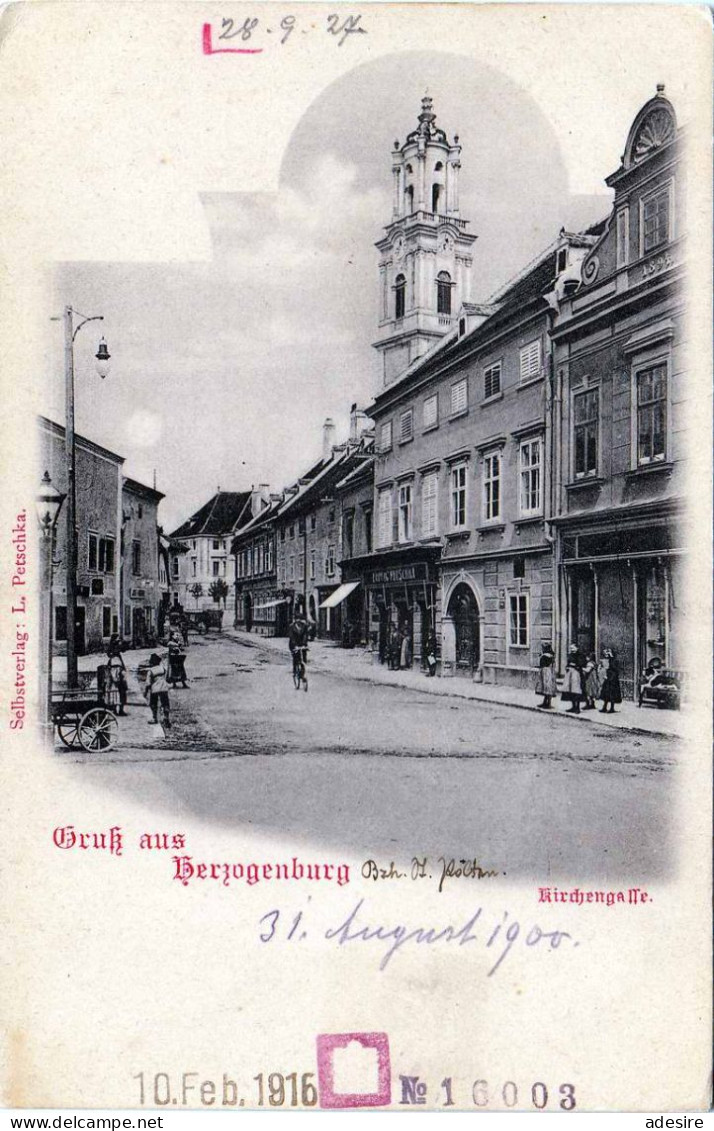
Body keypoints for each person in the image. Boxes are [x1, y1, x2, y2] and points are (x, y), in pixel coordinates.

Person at [145, 653, 170, 728]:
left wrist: (146, 692)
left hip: (155, 689)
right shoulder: (162, 669)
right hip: (163, 688)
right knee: (165, 703)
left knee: (153, 704)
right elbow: (167, 678)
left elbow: (148, 683)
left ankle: (154, 718)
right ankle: (166, 717)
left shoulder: (151, 671)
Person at [106, 634, 128, 716]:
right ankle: (116, 709)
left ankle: (118, 709)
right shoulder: (114, 658)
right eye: (118, 640)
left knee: (119, 692)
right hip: (116, 674)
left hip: (117, 673)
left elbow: (124, 649)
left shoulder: (116, 656)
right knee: (116, 691)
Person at [560, 644, 585, 714]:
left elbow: (582, 664)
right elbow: (568, 663)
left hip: (577, 674)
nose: (572, 650)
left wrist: (575, 665)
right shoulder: (570, 655)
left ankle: (577, 708)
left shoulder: (580, 655)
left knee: (576, 691)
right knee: (570, 690)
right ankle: (573, 706)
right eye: (571, 648)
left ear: (577, 648)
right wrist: (567, 667)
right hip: (569, 674)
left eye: (573, 648)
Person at [288, 608, 309, 682]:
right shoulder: (291, 627)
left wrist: (304, 644)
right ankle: (295, 671)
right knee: (296, 658)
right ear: (295, 620)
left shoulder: (304, 626)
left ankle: (302, 675)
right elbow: (292, 637)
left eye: (300, 619)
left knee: (303, 659)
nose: (299, 620)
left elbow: (305, 636)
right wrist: (295, 645)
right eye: (297, 619)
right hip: (293, 644)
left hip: (302, 644)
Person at [600, 649, 623, 713]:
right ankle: (604, 707)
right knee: (606, 694)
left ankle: (612, 708)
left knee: (612, 694)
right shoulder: (609, 660)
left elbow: (615, 670)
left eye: (609, 653)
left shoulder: (615, 661)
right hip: (608, 678)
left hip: (613, 680)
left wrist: (610, 677)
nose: (607, 654)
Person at [535, 643, 557, 709]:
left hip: (546, 672)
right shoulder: (550, 655)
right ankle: (545, 702)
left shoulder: (547, 656)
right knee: (545, 687)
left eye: (543, 648)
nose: (542, 649)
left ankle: (549, 704)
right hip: (547, 671)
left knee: (547, 687)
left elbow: (545, 664)